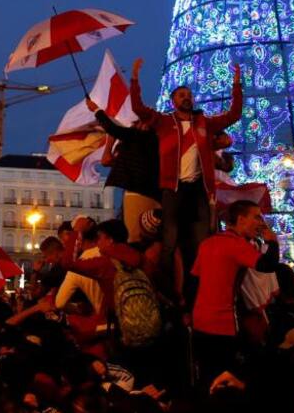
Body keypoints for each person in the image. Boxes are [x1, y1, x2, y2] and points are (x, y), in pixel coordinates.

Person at [127, 57, 244, 299]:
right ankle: (169, 291)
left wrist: (236, 84)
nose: (186, 97)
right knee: (170, 241)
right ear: (173, 101)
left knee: (201, 242)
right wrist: (135, 78)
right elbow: (138, 108)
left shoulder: (204, 123)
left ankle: (199, 288)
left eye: (188, 94)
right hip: (173, 188)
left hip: (199, 190)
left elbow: (234, 115)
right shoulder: (163, 122)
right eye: (181, 95)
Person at [190, 199, 278, 383]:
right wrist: (273, 243)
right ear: (241, 219)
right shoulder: (235, 244)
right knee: (227, 378)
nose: (261, 223)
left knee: (207, 375)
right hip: (223, 322)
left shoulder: (207, 243)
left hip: (199, 321)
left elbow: (194, 280)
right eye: (256, 217)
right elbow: (268, 265)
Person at [84, 97, 160, 243]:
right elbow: (107, 160)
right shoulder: (135, 141)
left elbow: (112, 129)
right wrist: (110, 140)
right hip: (144, 190)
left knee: (134, 235)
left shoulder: (142, 136)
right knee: (145, 235)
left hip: (138, 191)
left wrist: (96, 110)